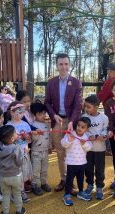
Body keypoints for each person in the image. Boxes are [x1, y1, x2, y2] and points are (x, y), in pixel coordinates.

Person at [45, 53, 82, 192]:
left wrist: (72, 121)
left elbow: (78, 105)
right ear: (57, 65)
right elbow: (47, 102)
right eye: (61, 64)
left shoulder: (76, 82)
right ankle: (63, 179)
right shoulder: (51, 82)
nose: (63, 67)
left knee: (71, 151)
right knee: (60, 153)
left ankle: (71, 182)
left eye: (66, 64)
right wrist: (54, 115)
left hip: (71, 120)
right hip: (57, 121)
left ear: (69, 65)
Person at [0, 125, 26, 214]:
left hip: (4, 177)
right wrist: (25, 153)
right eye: (16, 133)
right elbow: (19, 162)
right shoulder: (16, 148)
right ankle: (19, 212)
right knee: (17, 194)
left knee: (6, 195)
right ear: (12, 138)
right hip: (16, 176)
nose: (17, 134)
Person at [61, 117, 93, 206]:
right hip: (71, 163)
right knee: (69, 180)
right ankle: (67, 194)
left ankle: (81, 192)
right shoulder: (71, 134)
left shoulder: (86, 136)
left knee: (80, 179)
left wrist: (84, 144)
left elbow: (90, 147)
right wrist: (69, 140)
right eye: (78, 125)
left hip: (82, 163)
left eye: (83, 127)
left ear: (87, 129)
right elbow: (63, 144)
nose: (79, 128)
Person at [82, 95, 108, 200]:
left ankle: (99, 187)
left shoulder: (104, 118)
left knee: (100, 169)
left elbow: (105, 130)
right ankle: (89, 185)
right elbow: (82, 130)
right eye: (85, 107)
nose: (86, 109)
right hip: (88, 149)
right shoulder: (84, 117)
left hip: (100, 149)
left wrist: (101, 136)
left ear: (96, 107)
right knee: (88, 168)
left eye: (89, 107)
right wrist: (88, 137)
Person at [7, 101, 32, 203]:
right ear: (12, 112)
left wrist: (27, 137)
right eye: (18, 112)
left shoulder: (25, 124)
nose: (21, 114)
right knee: (15, 173)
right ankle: (16, 192)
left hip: (24, 153)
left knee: (24, 172)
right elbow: (6, 141)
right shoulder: (8, 125)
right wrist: (14, 139)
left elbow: (30, 140)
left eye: (22, 112)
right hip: (13, 154)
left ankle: (20, 190)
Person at [30, 102, 52, 195]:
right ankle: (35, 184)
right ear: (34, 115)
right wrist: (36, 134)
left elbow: (49, 136)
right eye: (40, 114)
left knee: (44, 169)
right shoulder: (32, 125)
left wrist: (50, 146)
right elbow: (32, 140)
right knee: (36, 170)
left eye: (44, 113)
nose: (43, 115)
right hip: (36, 152)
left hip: (45, 151)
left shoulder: (47, 124)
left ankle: (43, 183)